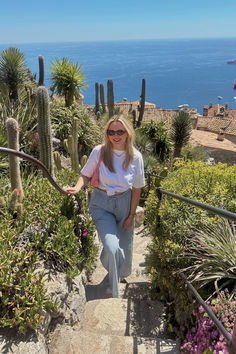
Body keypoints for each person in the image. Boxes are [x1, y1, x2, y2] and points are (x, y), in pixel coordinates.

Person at [65, 115, 145, 298]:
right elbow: (85, 174)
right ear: (107, 133)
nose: (115, 135)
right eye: (111, 132)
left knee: (124, 245)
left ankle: (120, 273)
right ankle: (113, 289)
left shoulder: (136, 157)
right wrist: (77, 187)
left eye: (120, 131)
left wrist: (131, 215)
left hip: (124, 203)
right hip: (102, 203)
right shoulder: (99, 151)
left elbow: (136, 190)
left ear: (127, 132)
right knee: (111, 247)